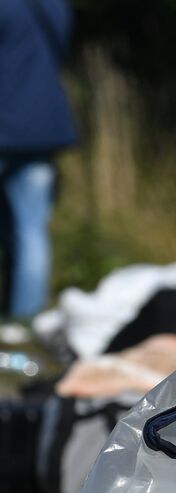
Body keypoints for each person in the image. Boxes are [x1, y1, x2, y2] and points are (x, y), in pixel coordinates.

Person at [0, 0, 77, 320]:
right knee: (32, 228)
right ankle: (25, 320)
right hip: (43, 127)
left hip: (5, 124)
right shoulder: (55, 6)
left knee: (27, 227)